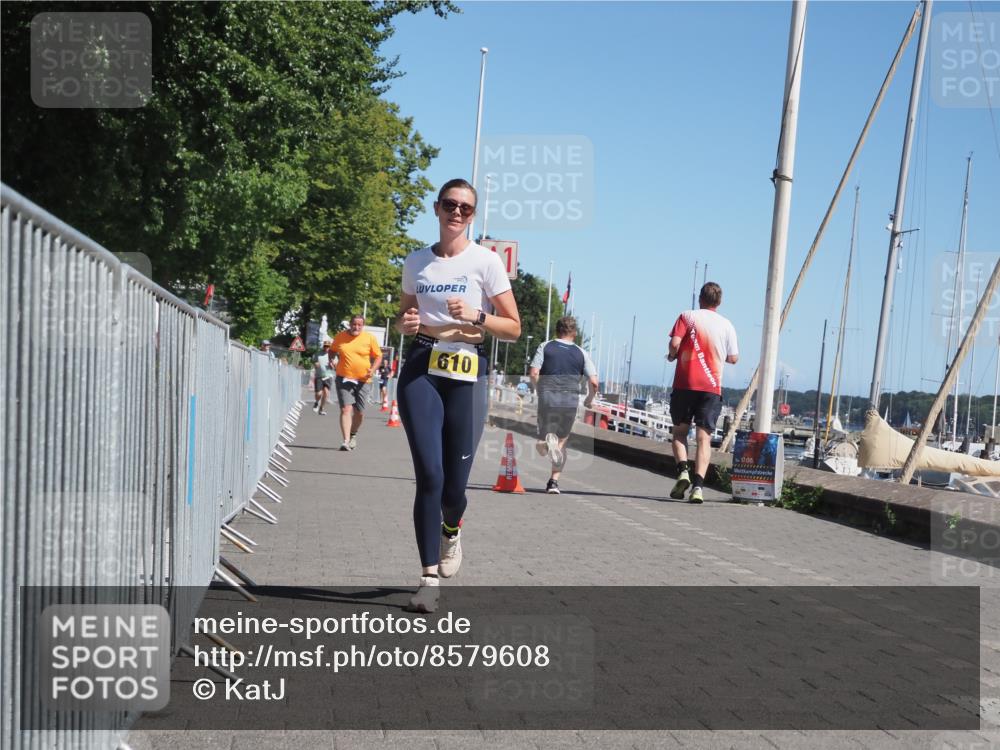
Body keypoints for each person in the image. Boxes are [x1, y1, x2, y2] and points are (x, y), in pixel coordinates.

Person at [396, 178, 521, 612]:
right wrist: (406, 325)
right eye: (450, 205)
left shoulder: (485, 262)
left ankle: (452, 529)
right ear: (436, 208)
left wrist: (478, 315)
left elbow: (514, 327)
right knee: (429, 475)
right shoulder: (416, 261)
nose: (457, 213)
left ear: (473, 215)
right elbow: (404, 316)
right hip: (422, 367)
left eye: (466, 209)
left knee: (454, 488)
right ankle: (427, 578)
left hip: (468, 369)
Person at [666, 282, 739, 503]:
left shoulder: (687, 316)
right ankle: (698, 488)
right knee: (703, 439)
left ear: (700, 298)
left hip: (685, 384)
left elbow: (674, 343)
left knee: (679, 433)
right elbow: (734, 358)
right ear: (719, 301)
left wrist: (672, 356)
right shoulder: (727, 325)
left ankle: (683, 472)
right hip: (711, 387)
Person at [529, 316, 598, 494]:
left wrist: (539, 389)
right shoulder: (582, 353)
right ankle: (553, 482)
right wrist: (590, 399)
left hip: (548, 398)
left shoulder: (545, 346)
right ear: (574, 333)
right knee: (562, 442)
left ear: (556, 330)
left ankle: (546, 444)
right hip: (569, 401)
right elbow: (594, 382)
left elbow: (534, 373)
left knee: (542, 441)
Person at [329, 315, 382, 451]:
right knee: (346, 409)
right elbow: (332, 350)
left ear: (362, 326)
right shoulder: (340, 337)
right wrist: (331, 360)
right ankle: (345, 441)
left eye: (359, 325)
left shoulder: (369, 338)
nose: (356, 327)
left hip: (363, 380)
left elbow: (378, 356)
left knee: (360, 413)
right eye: (354, 324)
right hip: (343, 378)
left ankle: (353, 434)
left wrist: (373, 369)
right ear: (350, 324)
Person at [312, 343, 334, 415]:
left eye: (328, 346)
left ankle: (321, 408)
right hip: (319, 376)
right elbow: (314, 361)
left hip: (328, 376)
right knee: (319, 393)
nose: (326, 348)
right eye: (325, 346)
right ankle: (316, 402)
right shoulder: (318, 354)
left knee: (326, 393)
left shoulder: (333, 355)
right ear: (323, 346)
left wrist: (332, 365)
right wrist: (315, 364)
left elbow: (336, 366)